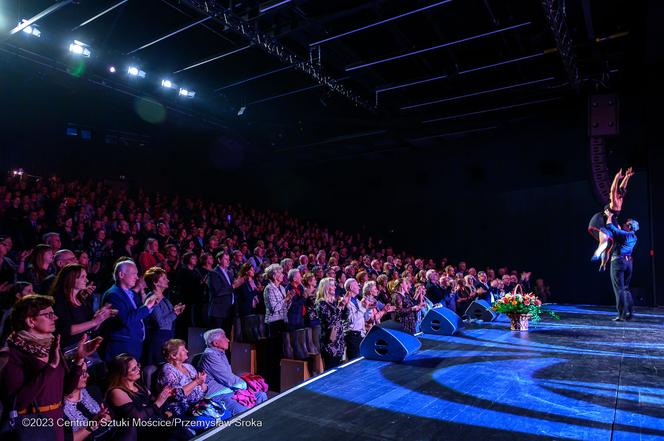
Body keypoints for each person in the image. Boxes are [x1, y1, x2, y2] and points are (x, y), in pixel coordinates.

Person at [0, 295, 102, 441]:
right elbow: (18, 402)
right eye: (48, 315)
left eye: (53, 313)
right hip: (32, 426)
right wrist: (50, 368)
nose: (55, 318)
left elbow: (66, 389)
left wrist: (79, 359)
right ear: (31, 321)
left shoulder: (51, 348)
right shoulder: (11, 355)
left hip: (56, 422)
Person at [106, 354, 191, 440]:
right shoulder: (116, 391)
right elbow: (137, 418)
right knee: (176, 427)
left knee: (178, 420)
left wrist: (166, 396)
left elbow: (153, 403)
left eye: (138, 365)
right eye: (134, 369)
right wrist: (158, 402)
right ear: (122, 374)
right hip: (140, 432)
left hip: (154, 423)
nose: (139, 369)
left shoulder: (138, 385)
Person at [198, 329, 267, 416]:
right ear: (215, 343)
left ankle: (263, 422)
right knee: (244, 412)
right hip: (219, 394)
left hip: (229, 390)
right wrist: (248, 384)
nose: (228, 340)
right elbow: (228, 379)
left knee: (261, 395)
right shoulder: (210, 355)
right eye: (224, 337)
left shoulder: (220, 353)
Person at [101, 260, 158, 361]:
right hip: (122, 347)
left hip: (134, 344)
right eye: (134, 274)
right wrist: (146, 307)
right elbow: (125, 319)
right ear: (121, 274)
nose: (137, 278)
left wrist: (150, 307)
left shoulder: (132, 294)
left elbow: (140, 315)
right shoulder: (113, 295)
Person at [50, 263, 114, 349]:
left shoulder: (82, 299)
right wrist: (94, 322)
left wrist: (101, 316)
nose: (87, 280)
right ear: (71, 279)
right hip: (67, 350)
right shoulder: (58, 301)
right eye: (83, 277)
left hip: (83, 347)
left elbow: (91, 328)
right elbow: (65, 330)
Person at [588, 168, 634, 270]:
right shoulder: (620, 198)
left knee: (604, 242)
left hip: (603, 220)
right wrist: (627, 177)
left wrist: (616, 178)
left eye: (612, 194)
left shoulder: (615, 202)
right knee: (608, 247)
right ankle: (603, 264)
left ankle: (597, 254)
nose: (610, 195)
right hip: (613, 221)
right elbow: (622, 188)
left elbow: (613, 189)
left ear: (616, 195)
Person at [143, 267, 186, 366]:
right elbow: (161, 323)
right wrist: (174, 313)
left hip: (168, 336)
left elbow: (168, 318)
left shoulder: (165, 299)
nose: (168, 280)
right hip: (159, 339)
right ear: (155, 282)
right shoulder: (152, 298)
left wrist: (176, 311)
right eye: (163, 279)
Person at [63, 362, 115, 441]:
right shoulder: (58, 406)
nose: (87, 375)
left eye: (86, 371)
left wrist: (103, 417)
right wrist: (93, 425)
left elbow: (111, 416)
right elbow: (67, 439)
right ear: (70, 377)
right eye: (82, 373)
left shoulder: (93, 390)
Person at [156, 339, 208, 418]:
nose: (187, 351)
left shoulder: (189, 367)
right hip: (181, 413)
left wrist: (202, 382)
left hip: (198, 407)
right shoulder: (167, 370)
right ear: (173, 355)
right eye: (183, 350)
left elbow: (203, 390)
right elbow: (178, 394)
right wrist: (197, 382)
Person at [605, 211, 639, 321]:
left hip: (618, 262)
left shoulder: (625, 235)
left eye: (626, 224)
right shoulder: (634, 237)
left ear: (629, 227)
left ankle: (621, 315)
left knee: (619, 289)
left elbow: (610, 226)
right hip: (629, 263)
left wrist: (609, 216)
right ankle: (629, 313)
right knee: (625, 289)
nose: (624, 224)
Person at [315, 277, 349, 369]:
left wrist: (345, 305)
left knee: (339, 371)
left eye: (334, 285)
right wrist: (340, 307)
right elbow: (330, 321)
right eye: (332, 285)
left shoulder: (334, 302)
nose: (335, 287)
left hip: (339, 342)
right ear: (325, 287)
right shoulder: (321, 304)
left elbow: (344, 317)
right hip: (330, 343)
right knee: (330, 370)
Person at [343, 278, 365, 360]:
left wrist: (368, 309)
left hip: (360, 334)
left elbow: (363, 318)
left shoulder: (357, 301)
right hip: (352, 335)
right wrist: (363, 308)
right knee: (355, 362)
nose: (359, 287)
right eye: (356, 285)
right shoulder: (346, 302)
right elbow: (352, 320)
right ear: (351, 288)